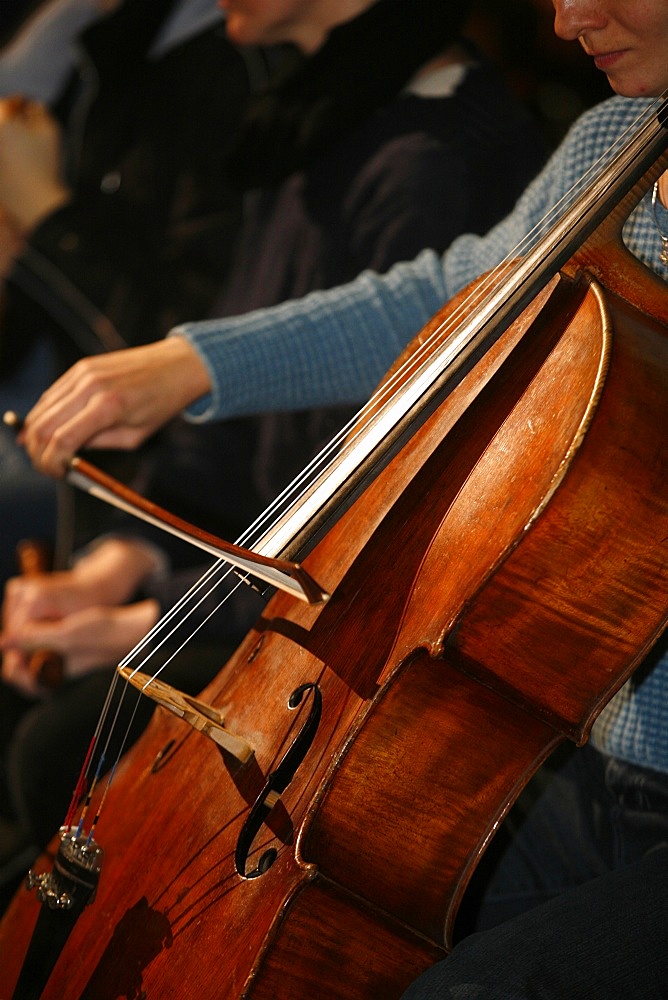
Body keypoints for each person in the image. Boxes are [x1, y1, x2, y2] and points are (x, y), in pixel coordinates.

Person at [12, 0, 667, 993]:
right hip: (584, 756)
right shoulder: (620, 137)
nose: (566, 15)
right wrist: (190, 362)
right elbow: (458, 293)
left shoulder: (441, 142)